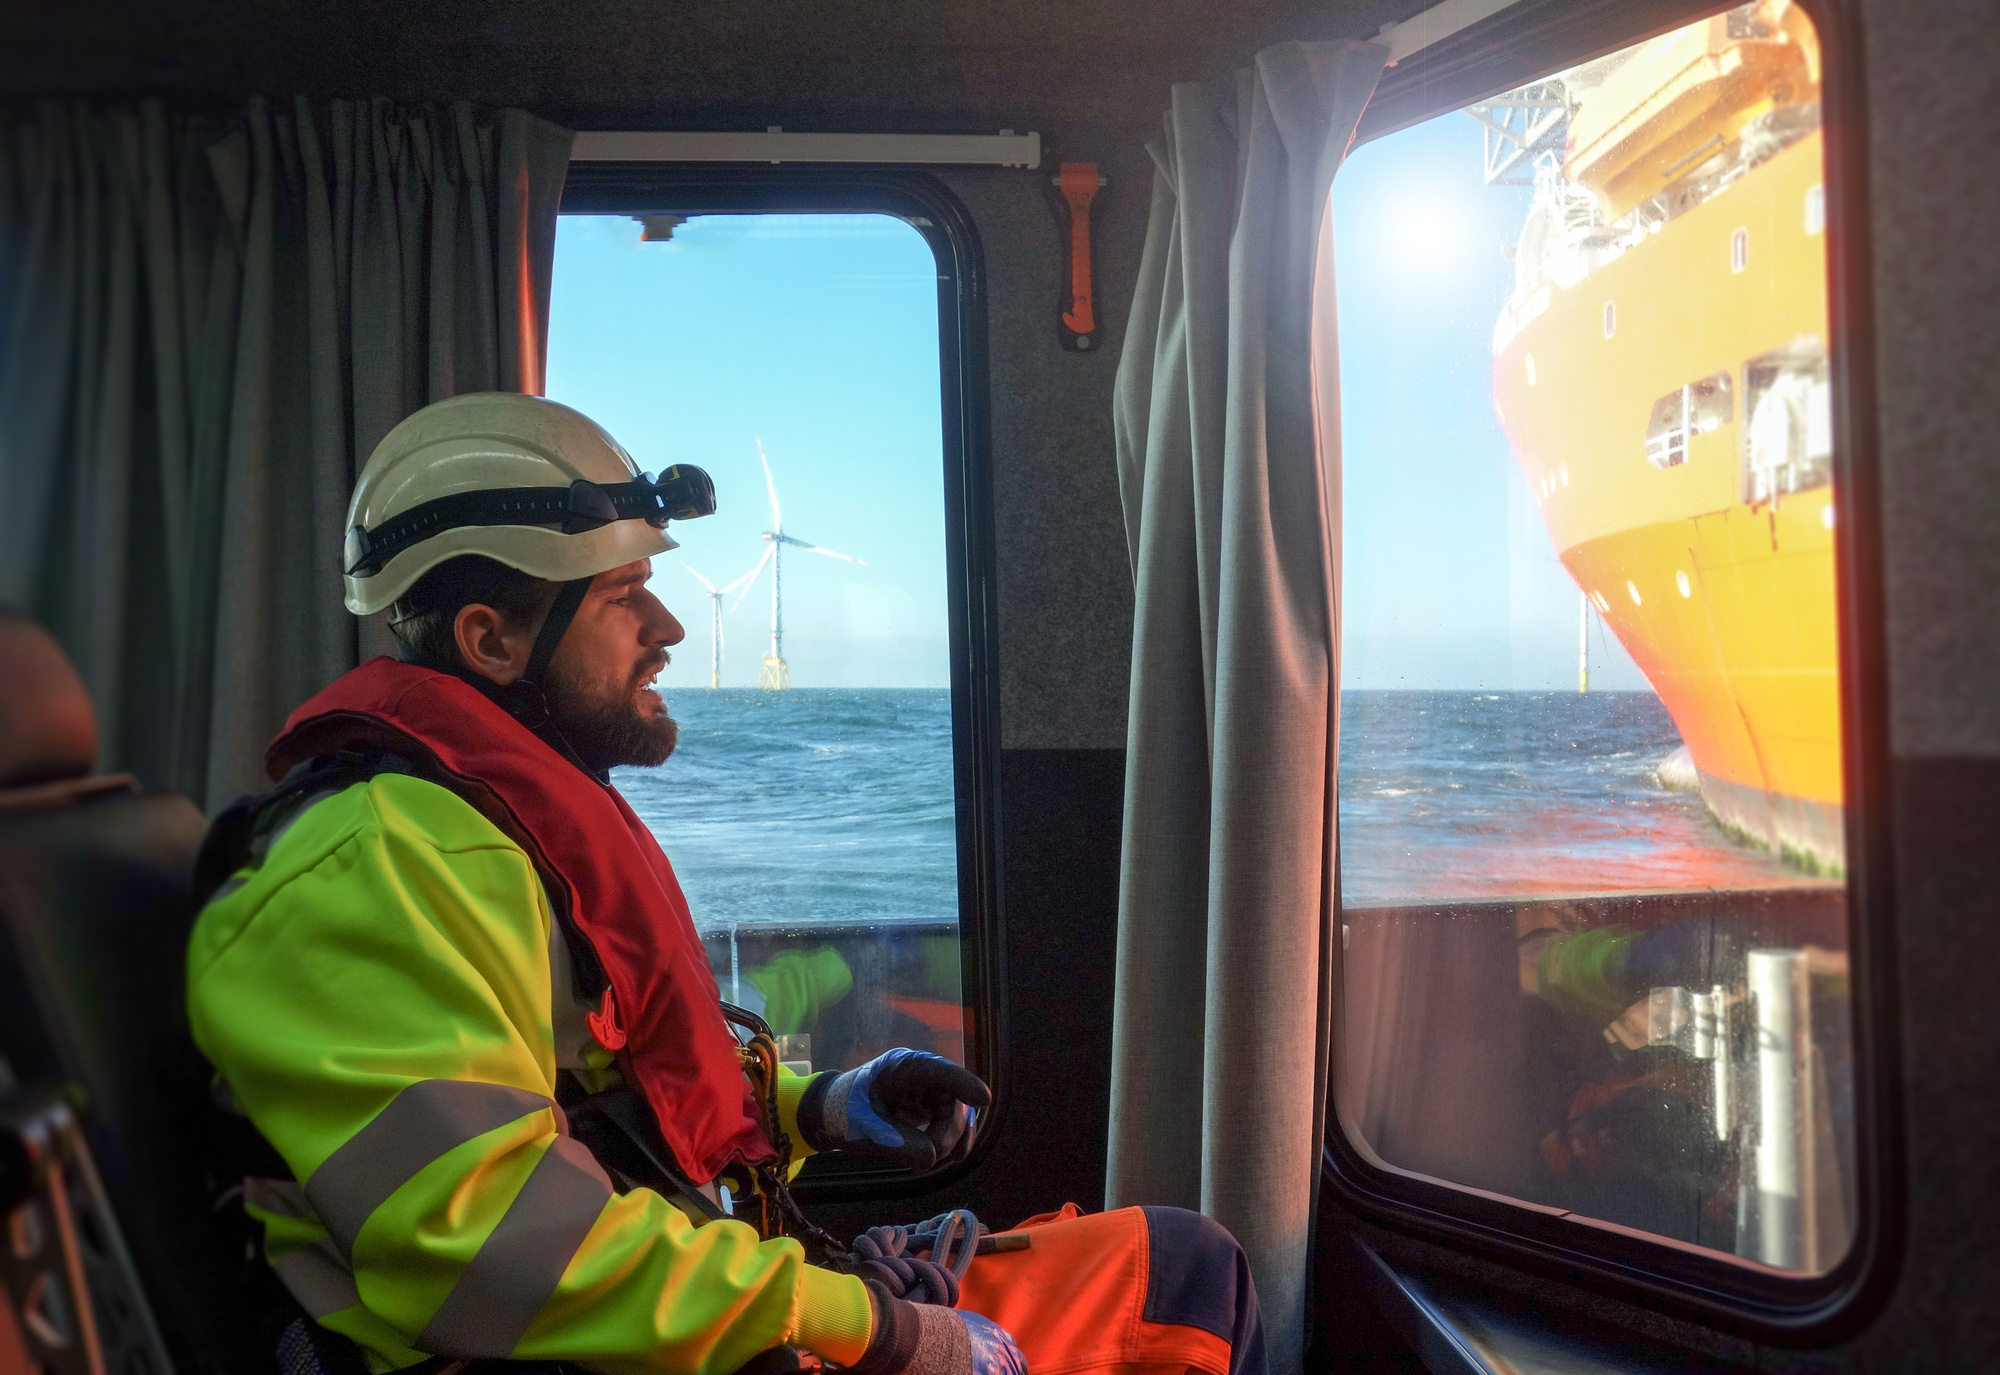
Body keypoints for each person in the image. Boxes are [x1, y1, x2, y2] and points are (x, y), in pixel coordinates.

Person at [187, 393, 1262, 1375]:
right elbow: (487, 1241)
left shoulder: (479, 831)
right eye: (623, 597)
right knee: (1182, 1285)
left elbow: (604, 1113)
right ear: (492, 639)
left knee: (1180, 1262)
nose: (670, 630)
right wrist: (876, 1326)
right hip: (607, 1355)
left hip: (682, 1324)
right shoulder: (377, 867)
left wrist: (823, 1108)